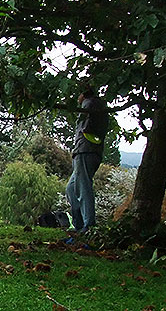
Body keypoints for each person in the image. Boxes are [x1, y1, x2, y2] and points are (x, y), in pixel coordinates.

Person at [65, 86, 109, 235]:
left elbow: (86, 127)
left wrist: (82, 138)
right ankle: (79, 225)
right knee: (71, 189)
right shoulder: (99, 104)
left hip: (85, 150)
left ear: (83, 93)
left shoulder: (88, 104)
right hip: (89, 151)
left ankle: (88, 226)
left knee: (83, 188)